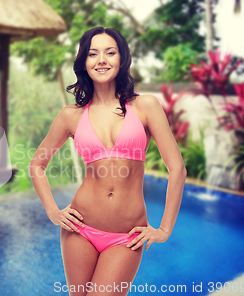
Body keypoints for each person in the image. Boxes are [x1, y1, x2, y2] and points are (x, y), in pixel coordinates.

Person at [29, 26, 187, 296]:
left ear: (122, 59)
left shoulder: (145, 106)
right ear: (84, 62)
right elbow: (36, 165)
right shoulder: (71, 115)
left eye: (109, 52)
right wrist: (54, 212)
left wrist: (164, 230)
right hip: (79, 229)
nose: (101, 60)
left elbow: (177, 169)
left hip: (127, 235)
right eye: (93, 54)